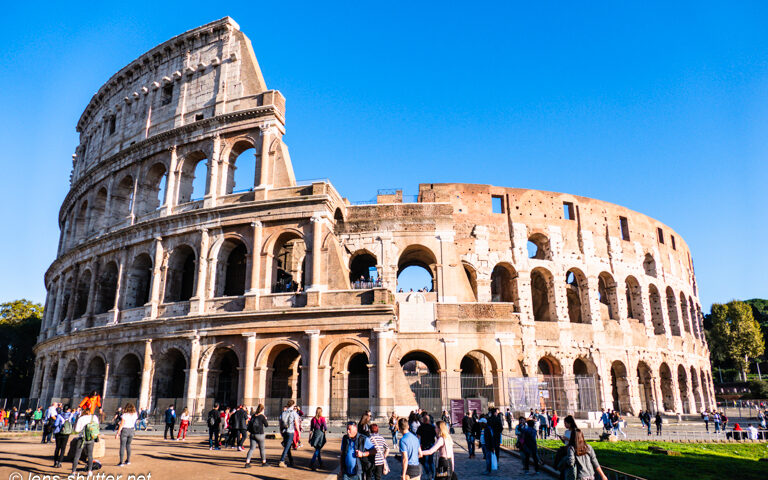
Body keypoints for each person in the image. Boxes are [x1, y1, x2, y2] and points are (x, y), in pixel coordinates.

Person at [70, 408, 99, 475]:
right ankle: (89, 471)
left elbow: (77, 430)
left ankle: (73, 472)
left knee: (77, 455)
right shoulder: (94, 417)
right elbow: (97, 427)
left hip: (82, 439)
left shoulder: (81, 418)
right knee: (90, 455)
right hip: (91, 438)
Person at [115, 402, 137, 466]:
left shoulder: (125, 415)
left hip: (125, 430)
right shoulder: (135, 414)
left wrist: (117, 433)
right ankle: (128, 460)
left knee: (122, 446)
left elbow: (121, 424)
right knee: (128, 445)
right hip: (132, 430)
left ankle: (121, 462)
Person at [279, 400, 299, 467]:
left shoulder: (284, 412)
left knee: (288, 447)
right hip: (290, 431)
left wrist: (281, 431)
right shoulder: (294, 413)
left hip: (284, 431)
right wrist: (298, 431)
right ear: (293, 405)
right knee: (287, 447)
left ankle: (291, 461)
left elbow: (281, 423)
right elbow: (296, 423)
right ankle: (282, 460)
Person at [416, 413, 437, 479]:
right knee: (431, 461)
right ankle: (433, 475)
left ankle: (428, 473)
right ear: (428, 420)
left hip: (424, 445)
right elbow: (436, 436)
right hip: (431, 445)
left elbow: (418, 437)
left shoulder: (421, 427)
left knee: (425, 462)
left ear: (423, 420)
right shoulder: (432, 427)